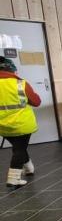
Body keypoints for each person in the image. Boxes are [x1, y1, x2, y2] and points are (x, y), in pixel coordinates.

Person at [0, 57, 41, 187]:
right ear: (11, 69)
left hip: (2, 126)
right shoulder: (20, 83)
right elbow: (36, 102)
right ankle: (13, 179)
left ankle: (29, 168)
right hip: (22, 124)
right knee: (19, 149)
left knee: (19, 148)